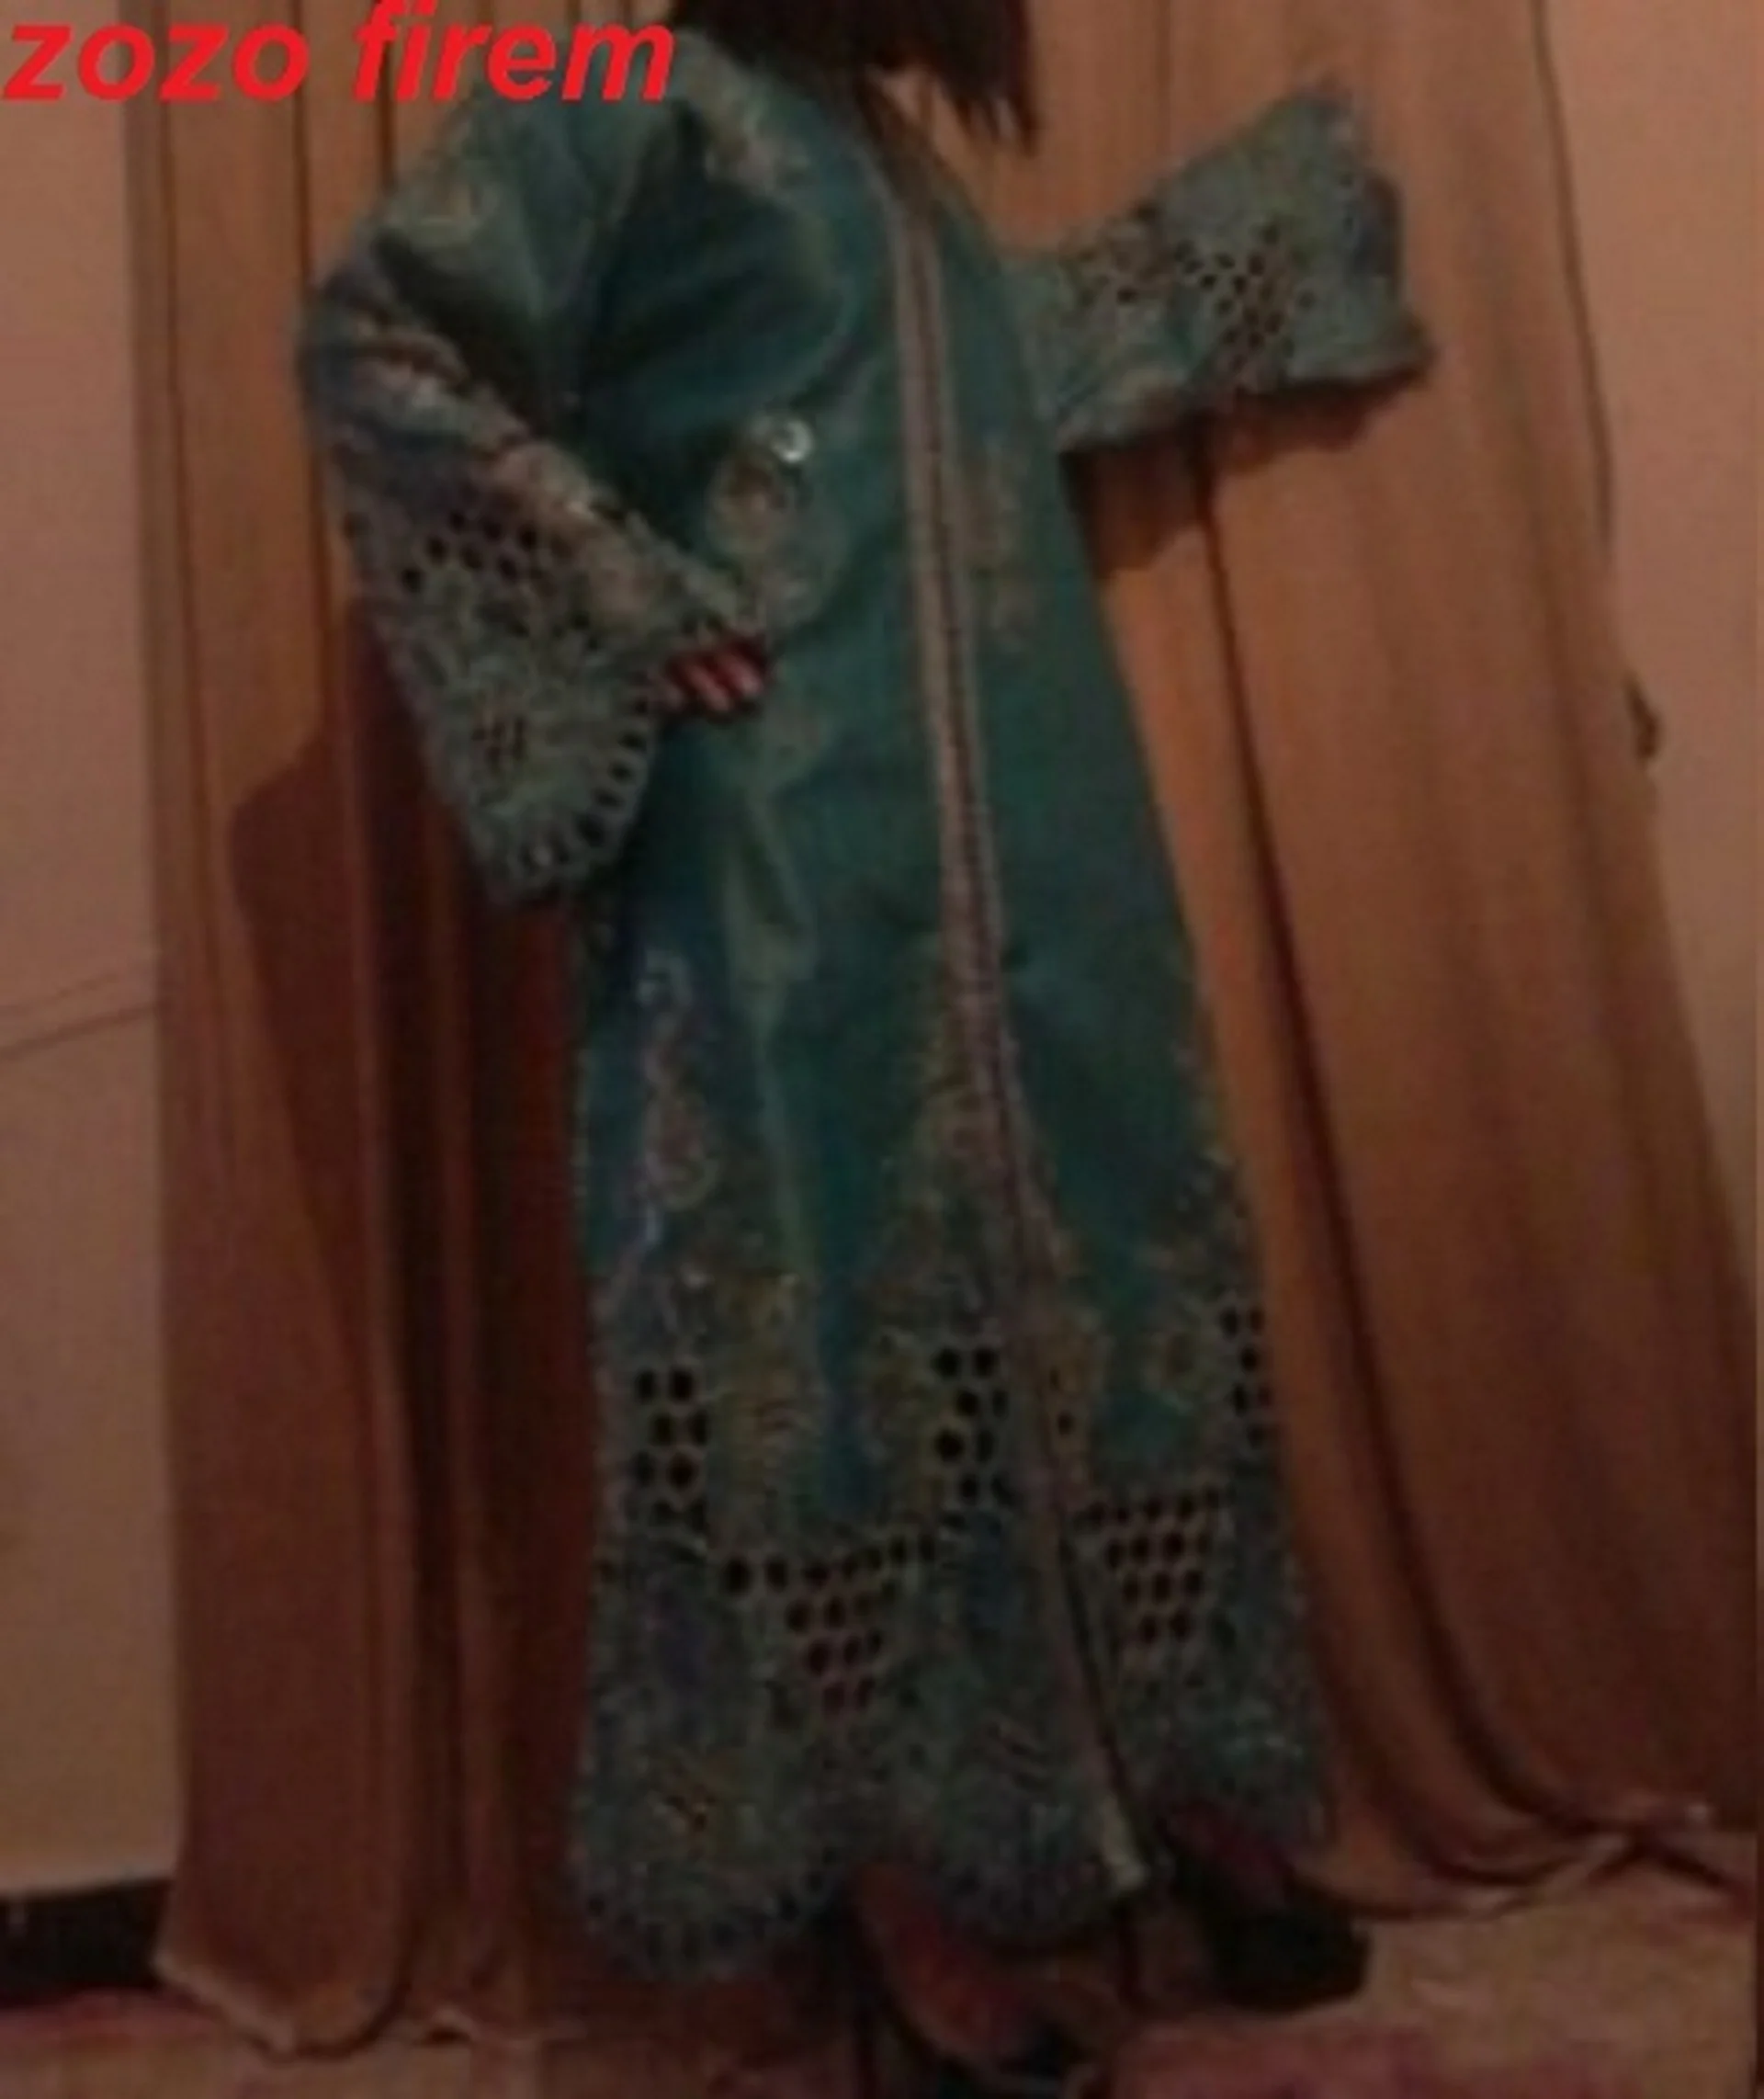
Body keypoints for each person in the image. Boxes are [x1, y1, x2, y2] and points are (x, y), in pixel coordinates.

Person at [298, 3, 1430, 2090]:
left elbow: (979, 380)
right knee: (824, 1309)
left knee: (1109, 1258)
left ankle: (1163, 1777)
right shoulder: (611, 79)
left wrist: (1252, 251)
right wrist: (624, 587)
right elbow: (381, 339)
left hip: (1039, 822)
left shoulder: (883, 151)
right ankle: (891, 1884)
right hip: (785, 841)